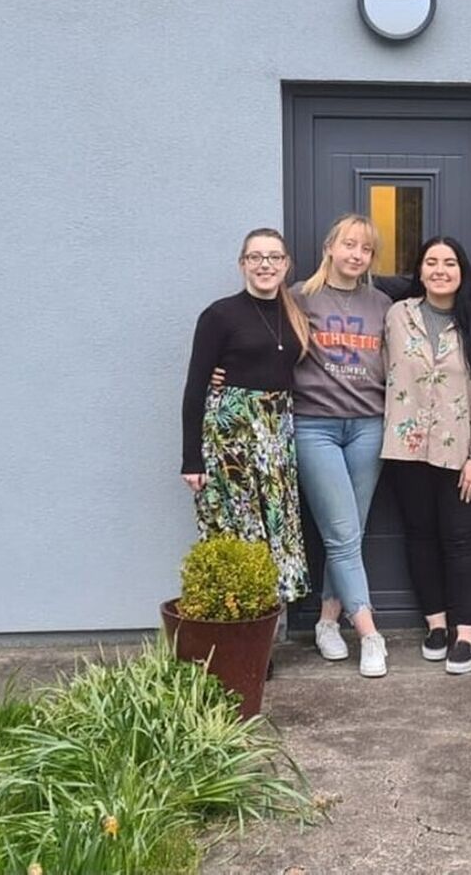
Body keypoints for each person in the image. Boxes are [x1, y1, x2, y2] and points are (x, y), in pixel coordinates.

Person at [381, 236, 471, 675]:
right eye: (431, 262)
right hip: (406, 449)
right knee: (420, 535)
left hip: (460, 452)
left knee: (464, 541)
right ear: (419, 270)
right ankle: (436, 626)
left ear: (461, 271)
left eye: (449, 263)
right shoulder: (398, 316)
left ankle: (465, 633)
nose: (439, 270)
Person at [180, 228, 312, 614]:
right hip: (229, 438)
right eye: (255, 257)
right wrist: (191, 459)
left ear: (286, 264)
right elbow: (195, 388)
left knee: (275, 527)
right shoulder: (219, 315)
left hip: (276, 435)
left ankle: (266, 627)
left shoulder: (295, 314)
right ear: (242, 265)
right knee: (238, 527)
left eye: (273, 257)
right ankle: (237, 623)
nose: (265, 265)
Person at [291, 214, 394, 677]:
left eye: (366, 249)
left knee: (350, 531)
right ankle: (371, 633)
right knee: (342, 534)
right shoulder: (298, 297)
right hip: (315, 427)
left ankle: (327, 622)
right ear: (330, 246)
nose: (356, 255)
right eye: (349, 245)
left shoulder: (382, 304)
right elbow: (264, 345)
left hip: (368, 426)